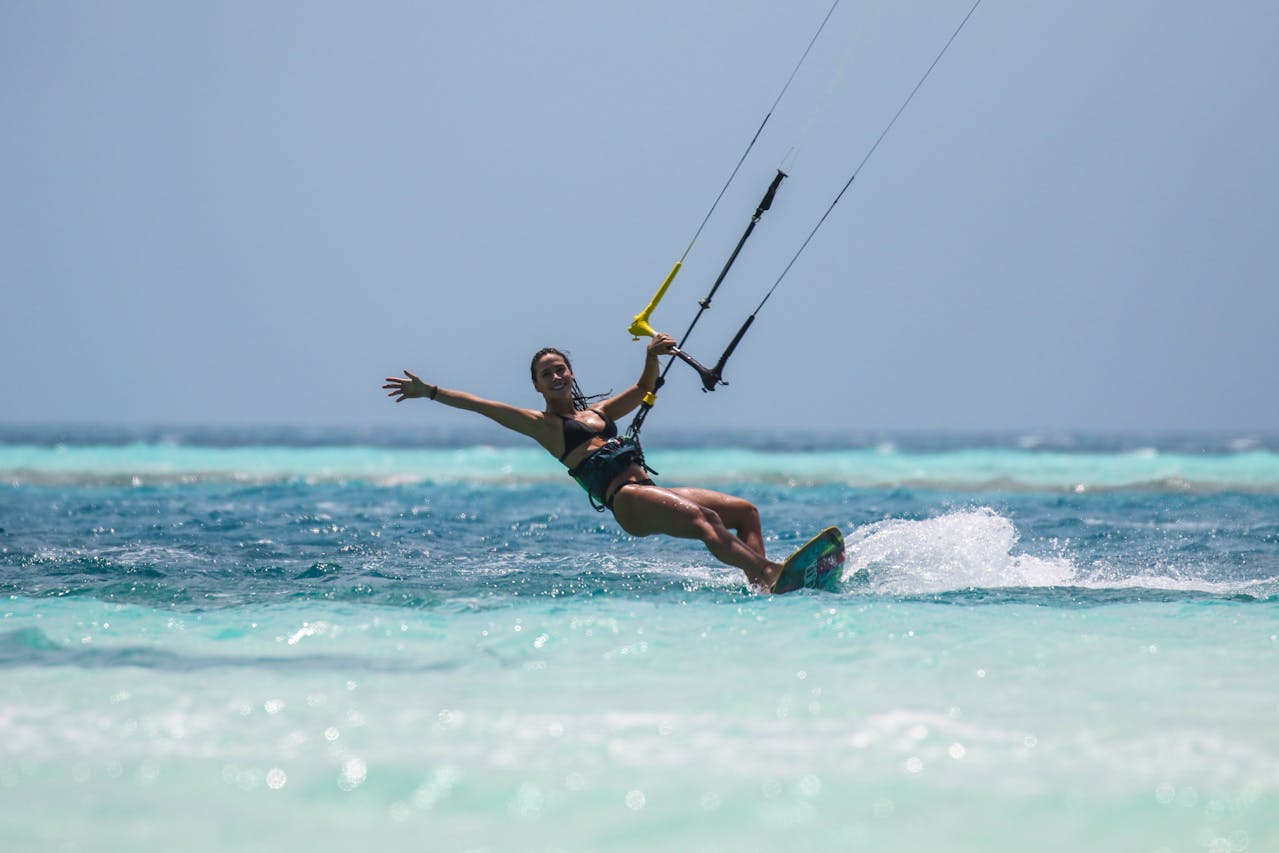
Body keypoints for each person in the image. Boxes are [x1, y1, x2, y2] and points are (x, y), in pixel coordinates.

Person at [383, 332, 785, 590]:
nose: (556, 377)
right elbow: (483, 406)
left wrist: (652, 355)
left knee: (745, 512)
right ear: (537, 386)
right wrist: (430, 391)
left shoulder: (600, 413)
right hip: (626, 500)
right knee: (706, 521)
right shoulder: (542, 425)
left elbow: (645, 387)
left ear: (571, 373)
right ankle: (770, 573)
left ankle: (763, 585)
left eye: (560, 370)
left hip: (649, 491)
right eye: (546, 374)